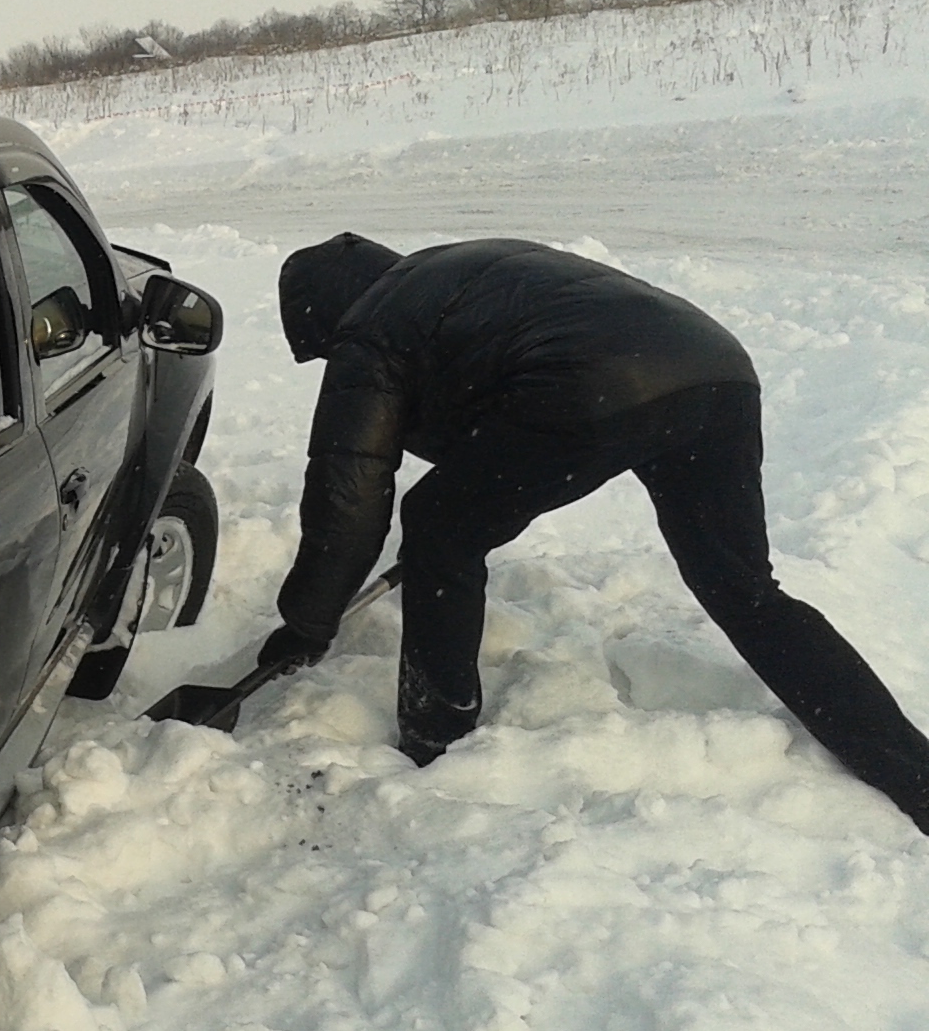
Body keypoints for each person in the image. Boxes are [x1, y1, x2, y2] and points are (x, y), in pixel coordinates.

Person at [262, 231, 929, 831]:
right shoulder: (452, 272)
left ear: (328, 318)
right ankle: (912, 772)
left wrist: (308, 622)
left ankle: (436, 735)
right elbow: (483, 405)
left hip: (598, 384)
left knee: (439, 526)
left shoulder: (371, 327)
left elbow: (347, 491)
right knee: (745, 590)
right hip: (716, 373)